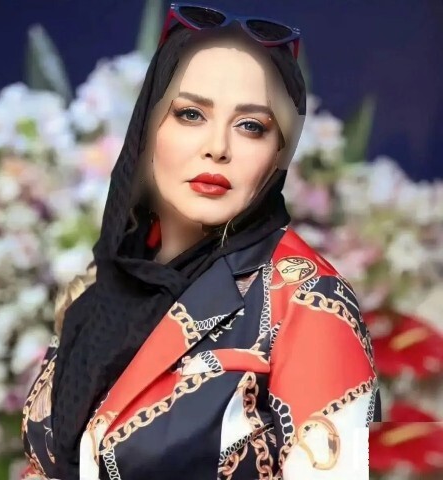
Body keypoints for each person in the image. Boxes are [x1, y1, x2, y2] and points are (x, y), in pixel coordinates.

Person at [21, 4, 381, 479]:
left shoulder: (309, 300)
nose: (218, 147)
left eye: (251, 126)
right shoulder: (103, 285)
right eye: (190, 114)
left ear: (279, 151)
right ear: (148, 127)